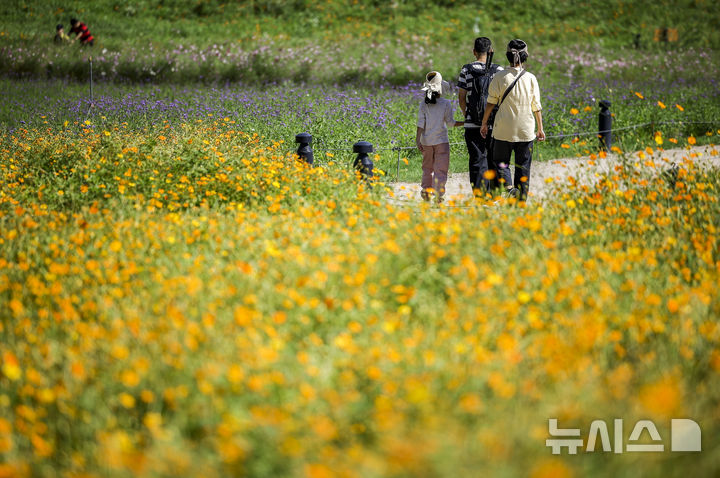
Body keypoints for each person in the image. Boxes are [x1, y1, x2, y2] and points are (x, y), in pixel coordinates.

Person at [480, 39, 545, 201]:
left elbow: (490, 103)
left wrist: (484, 123)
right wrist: (540, 128)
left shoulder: (499, 77)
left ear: (508, 55)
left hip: (503, 129)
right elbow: (536, 106)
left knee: (500, 161)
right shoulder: (531, 78)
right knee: (523, 165)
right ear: (525, 57)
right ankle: (521, 199)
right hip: (526, 129)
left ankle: (509, 187)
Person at [458, 37, 503, 195]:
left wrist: (467, 114)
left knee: (477, 160)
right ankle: (495, 194)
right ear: (491, 51)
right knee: (494, 159)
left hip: (473, 123)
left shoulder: (466, 70)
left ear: (474, 52)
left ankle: (480, 197)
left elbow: (462, 97)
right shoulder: (498, 71)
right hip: (494, 123)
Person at [416, 71, 464, 203]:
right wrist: (465, 123)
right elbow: (451, 123)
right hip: (441, 141)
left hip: (426, 141)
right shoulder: (445, 103)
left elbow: (420, 124)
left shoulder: (423, 104)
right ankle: (439, 194)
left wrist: (418, 139)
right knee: (440, 169)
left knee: (427, 168)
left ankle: (426, 191)